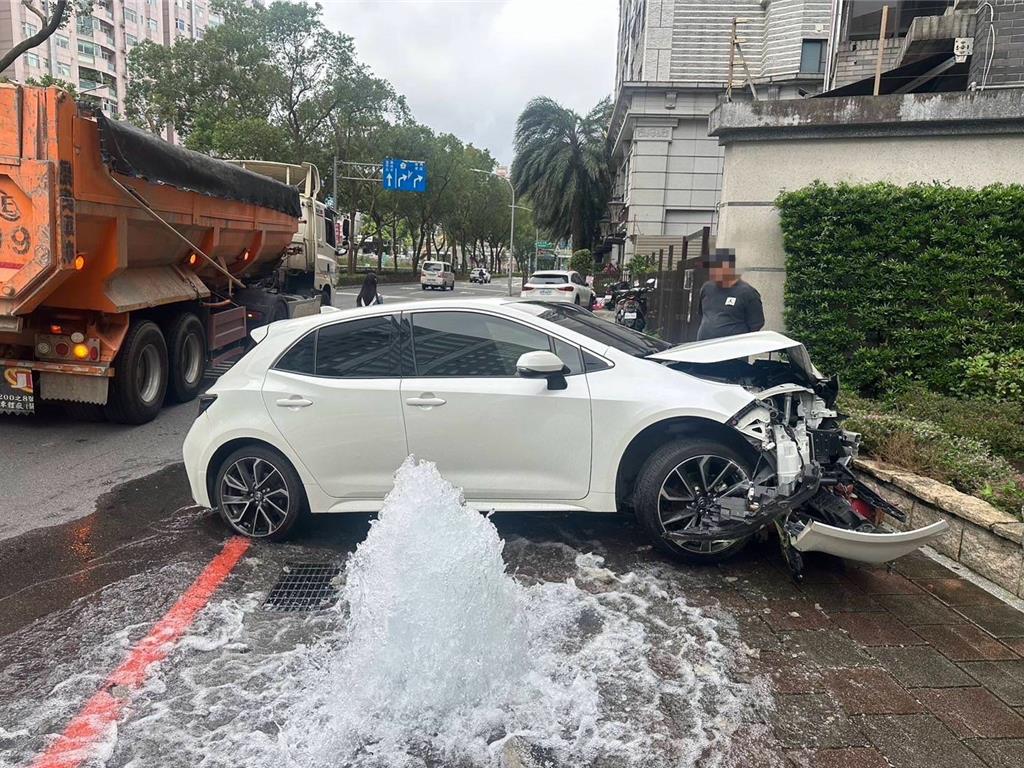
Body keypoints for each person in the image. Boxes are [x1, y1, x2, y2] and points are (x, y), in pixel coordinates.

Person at [696, 248, 764, 341]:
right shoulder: (707, 288)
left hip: (733, 351)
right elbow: (702, 314)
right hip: (704, 348)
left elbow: (756, 324)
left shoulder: (747, 293)